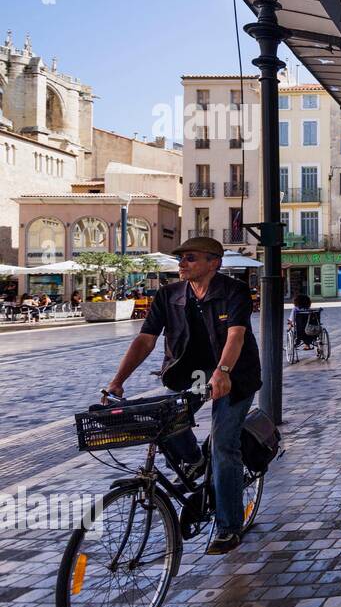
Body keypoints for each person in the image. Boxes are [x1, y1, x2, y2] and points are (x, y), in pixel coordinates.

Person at [103, 236, 262, 555]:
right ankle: (193, 464)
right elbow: (145, 340)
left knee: (223, 445)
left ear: (214, 263)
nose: (182, 263)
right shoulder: (168, 295)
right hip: (189, 373)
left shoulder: (233, 292)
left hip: (233, 374)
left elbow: (236, 335)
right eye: (181, 258)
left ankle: (228, 527)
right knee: (164, 421)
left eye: (190, 258)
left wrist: (224, 371)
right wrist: (118, 380)